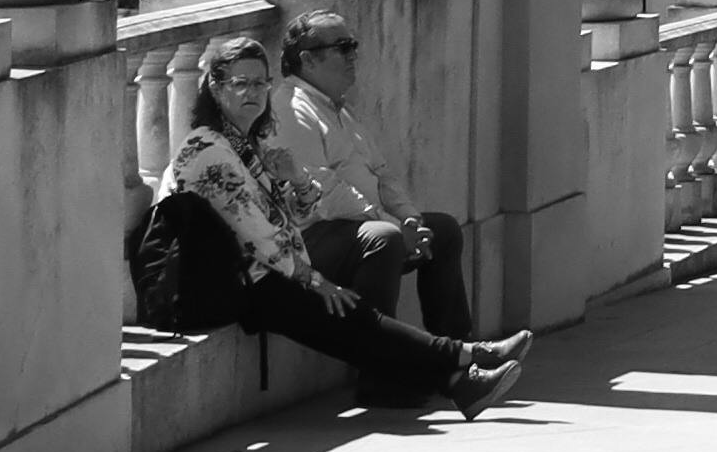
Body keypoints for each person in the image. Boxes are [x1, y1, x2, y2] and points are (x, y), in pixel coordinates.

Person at [135, 36, 523, 407]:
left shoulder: (248, 146)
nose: (252, 92)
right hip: (214, 285)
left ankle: (459, 379)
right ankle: (466, 356)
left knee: (350, 320)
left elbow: (296, 217)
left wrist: (298, 180)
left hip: (258, 277)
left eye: (260, 83)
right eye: (240, 83)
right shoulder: (207, 149)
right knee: (347, 316)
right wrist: (314, 279)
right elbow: (257, 234)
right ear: (215, 88)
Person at [275, 6, 470, 340]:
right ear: (307, 60)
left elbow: (381, 174)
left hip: (359, 226)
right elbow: (324, 193)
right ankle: (381, 367)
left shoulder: (338, 108)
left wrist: (411, 219)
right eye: (342, 47)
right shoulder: (291, 108)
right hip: (311, 238)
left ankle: (456, 352)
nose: (353, 55)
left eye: (353, 45)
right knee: (385, 239)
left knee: (443, 231)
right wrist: (394, 226)